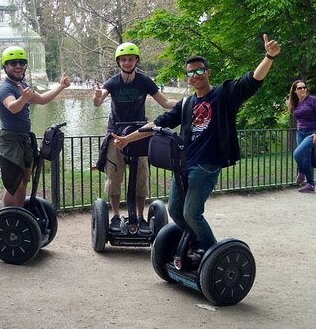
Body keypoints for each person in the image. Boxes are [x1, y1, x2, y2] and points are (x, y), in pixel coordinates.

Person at [112, 34, 281, 253]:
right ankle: (194, 245)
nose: (195, 75)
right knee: (174, 210)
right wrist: (127, 139)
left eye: (200, 70)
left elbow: (251, 81)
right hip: (184, 164)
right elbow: (157, 123)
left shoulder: (223, 95)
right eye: (191, 72)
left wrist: (269, 56)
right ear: (188, 77)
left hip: (207, 165)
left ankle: (213, 254)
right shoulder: (187, 104)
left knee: (191, 213)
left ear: (208, 72)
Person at [93, 42, 177, 234]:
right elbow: (99, 100)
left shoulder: (144, 81)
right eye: (124, 59)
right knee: (114, 177)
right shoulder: (113, 82)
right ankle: (115, 215)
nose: (127, 62)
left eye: (131, 59)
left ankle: (140, 217)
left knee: (141, 177)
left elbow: (164, 103)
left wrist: (185, 103)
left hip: (139, 134)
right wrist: (97, 97)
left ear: (136, 60)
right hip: (116, 133)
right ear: (119, 62)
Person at [0, 46, 70, 207]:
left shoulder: (22, 85)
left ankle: (20, 216)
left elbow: (42, 99)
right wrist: (23, 98)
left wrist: (60, 87)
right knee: (13, 184)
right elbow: (13, 107)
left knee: (23, 182)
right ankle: (8, 217)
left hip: (24, 138)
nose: (18, 66)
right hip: (10, 140)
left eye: (21, 62)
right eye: (13, 63)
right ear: (5, 66)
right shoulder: (5, 87)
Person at [286, 80, 316, 193]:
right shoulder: (294, 104)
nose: (303, 89)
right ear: (295, 91)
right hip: (300, 132)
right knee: (306, 158)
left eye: (304, 87)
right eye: (300, 88)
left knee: (297, 153)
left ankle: (301, 171)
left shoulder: (312, 100)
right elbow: (298, 118)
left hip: (311, 133)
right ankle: (310, 184)